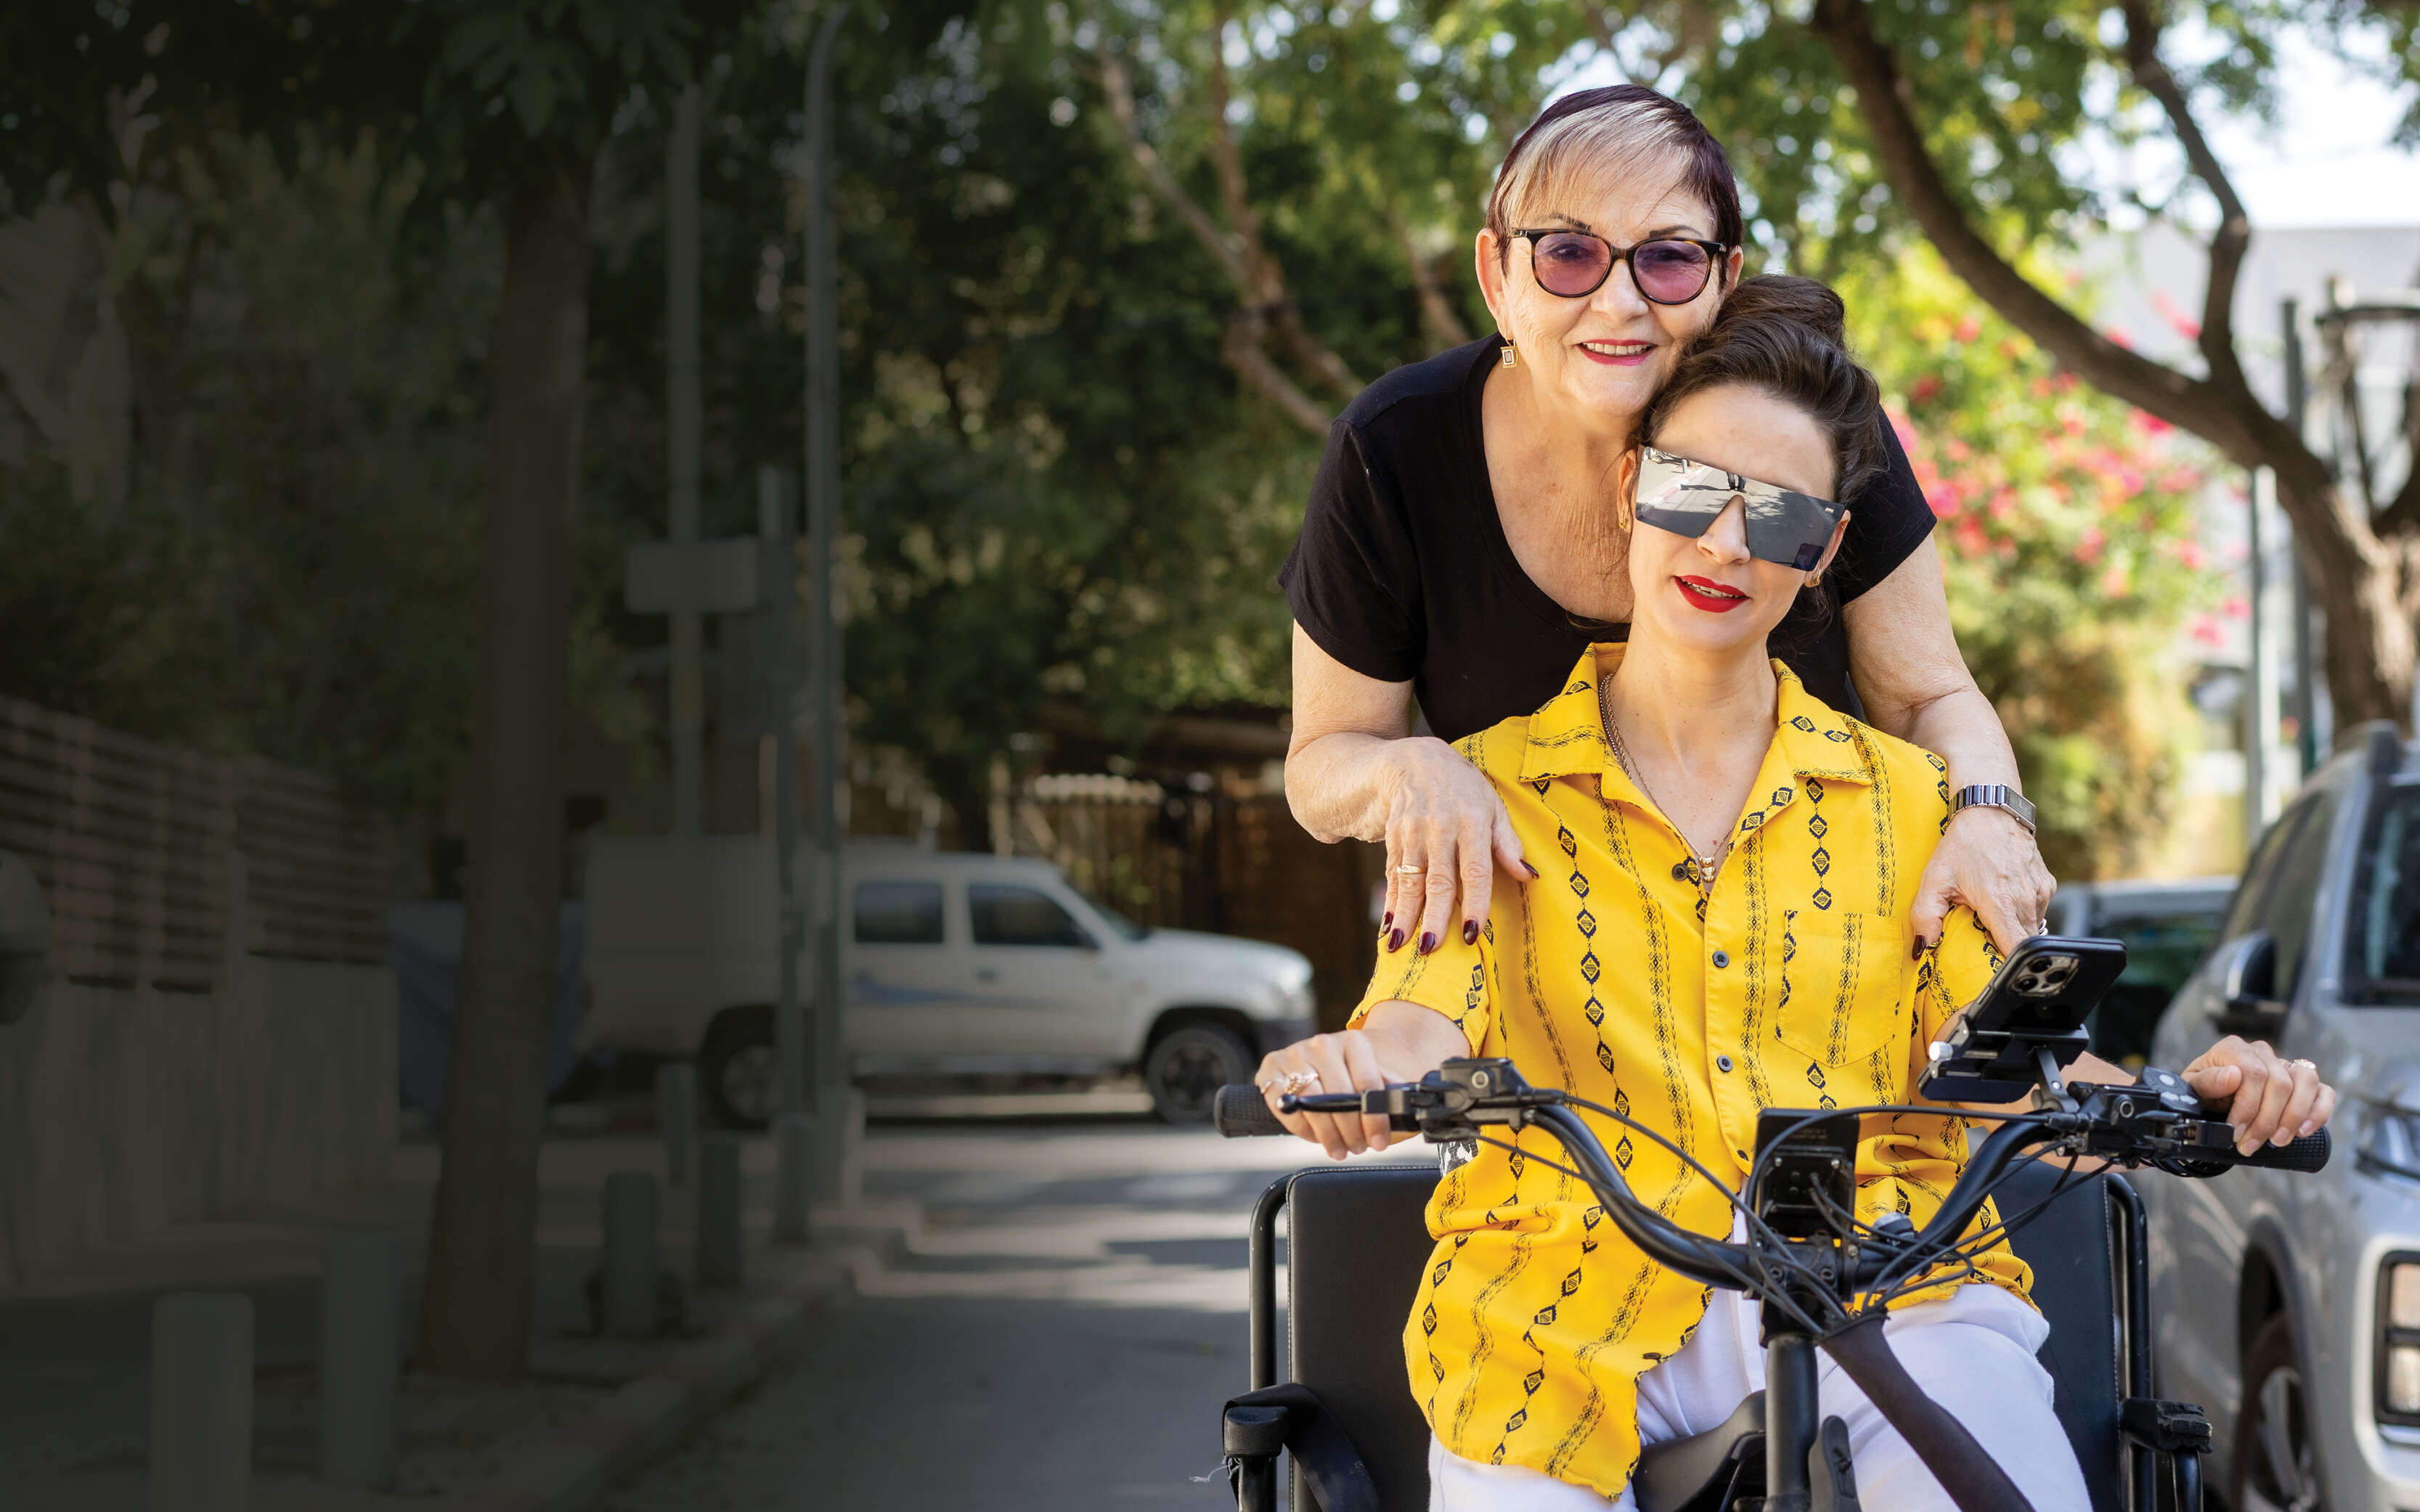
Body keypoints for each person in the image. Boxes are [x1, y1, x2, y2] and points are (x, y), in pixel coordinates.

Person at [1254, 297, 2337, 1512]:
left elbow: (2003, 1073)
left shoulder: (1912, 800)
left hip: (1884, 1278)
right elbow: (1417, 1014)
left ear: (1823, 551)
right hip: (1553, 1303)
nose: (1722, 543)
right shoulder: (1488, 783)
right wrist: (1351, 1067)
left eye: (1774, 514)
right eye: (1688, 490)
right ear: (1628, 489)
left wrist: (2186, 1094)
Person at [1281, 84, 2053, 965]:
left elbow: (1927, 698)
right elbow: (1324, 762)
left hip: (1812, 957)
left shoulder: (1808, 434)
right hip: (1547, 979)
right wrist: (1410, 772)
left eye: (1668, 259)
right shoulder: (1396, 447)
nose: (1618, 302)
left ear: (1723, 278)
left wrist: (1991, 817)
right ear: (1496, 276)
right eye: (1568, 254)